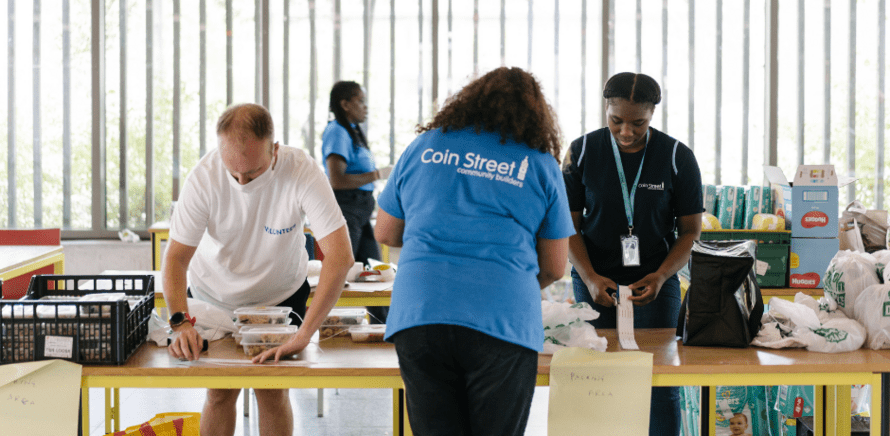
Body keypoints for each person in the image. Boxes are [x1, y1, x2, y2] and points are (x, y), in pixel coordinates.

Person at [374, 66, 574, 436]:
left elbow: (386, 231)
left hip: (421, 312)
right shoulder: (540, 165)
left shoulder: (425, 146)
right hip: (502, 317)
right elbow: (555, 266)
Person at [163, 103, 354, 436]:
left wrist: (305, 332)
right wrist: (180, 322)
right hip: (214, 293)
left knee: (273, 390)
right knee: (219, 391)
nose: (241, 181)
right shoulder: (204, 177)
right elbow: (175, 259)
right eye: (232, 172)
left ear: (275, 150)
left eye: (252, 173)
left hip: (280, 296)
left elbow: (340, 257)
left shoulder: (302, 171)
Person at [562, 72, 703, 436]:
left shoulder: (676, 156)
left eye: (637, 122)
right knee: (596, 377)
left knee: (659, 380)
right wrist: (590, 278)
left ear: (653, 113)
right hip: (594, 279)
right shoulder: (581, 153)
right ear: (605, 109)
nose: (626, 131)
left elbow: (690, 232)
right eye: (616, 121)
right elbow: (568, 227)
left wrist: (661, 277)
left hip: (656, 279)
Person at [322, 81, 392, 324]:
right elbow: (337, 179)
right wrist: (378, 174)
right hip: (346, 207)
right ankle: (321, 325)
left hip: (361, 210)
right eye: (360, 100)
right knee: (340, 270)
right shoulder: (337, 131)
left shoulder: (352, 131)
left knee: (377, 276)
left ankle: (384, 330)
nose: (365, 107)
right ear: (345, 104)